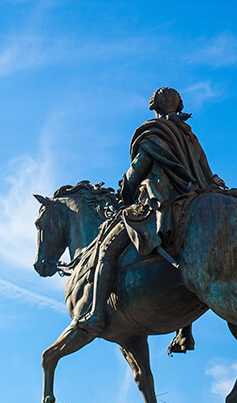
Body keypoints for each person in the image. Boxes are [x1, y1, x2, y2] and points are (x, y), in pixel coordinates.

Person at [74, 87, 226, 345]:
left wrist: (125, 192)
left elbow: (137, 170)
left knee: (106, 250)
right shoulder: (189, 135)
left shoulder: (153, 132)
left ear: (154, 106)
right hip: (194, 195)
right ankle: (184, 331)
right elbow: (206, 171)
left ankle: (95, 314)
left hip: (158, 201)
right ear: (178, 106)